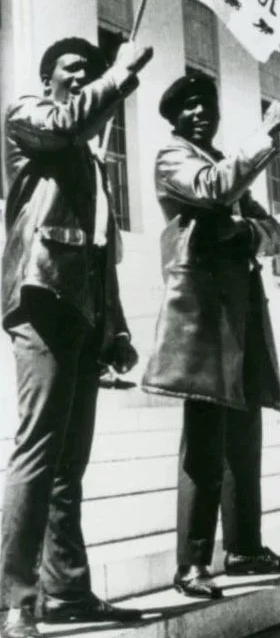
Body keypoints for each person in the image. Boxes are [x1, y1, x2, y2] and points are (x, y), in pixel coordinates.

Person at [0, 36, 153, 638]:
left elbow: (99, 253)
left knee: (70, 463)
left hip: (85, 315)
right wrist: (119, 73)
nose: (82, 76)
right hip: (41, 301)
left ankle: (67, 589)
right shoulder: (25, 114)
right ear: (47, 81)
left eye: (89, 70)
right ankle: (16, 599)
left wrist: (114, 328)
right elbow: (67, 120)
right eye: (72, 69)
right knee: (38, 452)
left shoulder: (91, 165)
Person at [142, 75, 280, 600]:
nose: (199, 113)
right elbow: (214, 189)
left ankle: (244, 548)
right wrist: (264, 135)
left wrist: (242, 229)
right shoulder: (174, 158)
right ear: (174, 118)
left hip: (239, 315)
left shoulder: (223, 164)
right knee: (205, 441)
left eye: (206, 105)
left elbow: (273, 235)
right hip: (203, 315)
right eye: (188, 106)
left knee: (244, 438)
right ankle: (191, 563)